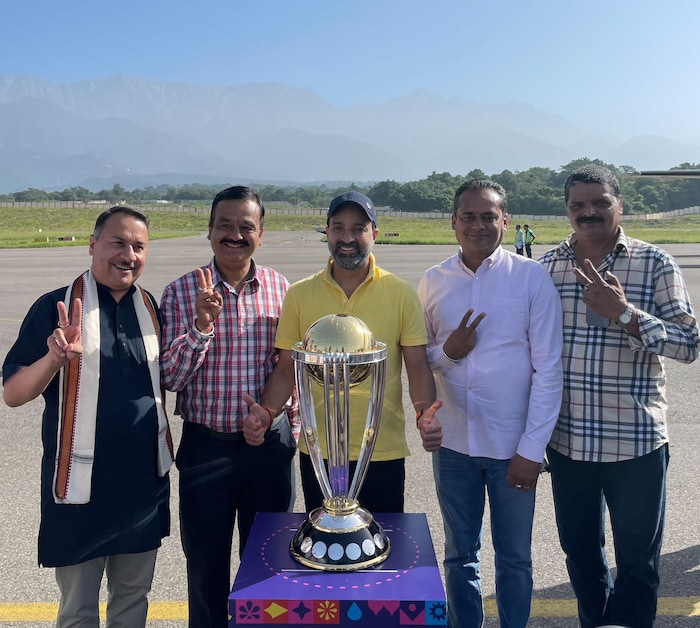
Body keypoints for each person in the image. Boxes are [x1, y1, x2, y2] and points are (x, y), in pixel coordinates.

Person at [539, 164, 699, 628]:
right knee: (580, 555)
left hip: (635, 441)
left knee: (638, 562)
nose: (588, 212)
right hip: (569, 442)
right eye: (578, 205)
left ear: (620, 205)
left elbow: (689, 345)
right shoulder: (547, 268)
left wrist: (626, 314)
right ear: (567, 210)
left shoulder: (654, 263)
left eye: (600, 202)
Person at [2, 206, 173, 628]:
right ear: (93, 244)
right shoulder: (56, 307)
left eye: (139, 246)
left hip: (140, 487)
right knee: (78, 610)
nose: (128, 255)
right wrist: (54, 359)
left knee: (133, 600)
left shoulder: (149, 308)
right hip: (80, 489)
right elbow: (13, 394)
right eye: (118, 243)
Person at [417, 179, 563, 628]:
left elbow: (548, 370)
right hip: (454, 446)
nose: (478, 225)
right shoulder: (432, 281)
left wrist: (531, 450)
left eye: (488, 216)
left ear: (506, 221)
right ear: (454, 222)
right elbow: (421, 360)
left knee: (514, 556)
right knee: (459, 554)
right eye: (469, 216)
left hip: (512, 447)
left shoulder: (530, 277)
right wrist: (450, 352)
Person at [246, 190, 442, 515]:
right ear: (327, 232)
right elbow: (286, 368)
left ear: (374, 234)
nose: (347, 238)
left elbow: (417, 367)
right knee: (326, 540)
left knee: (380, 542)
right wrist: (267, 412)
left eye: (358, 228)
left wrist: (424, 415)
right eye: (338, 227)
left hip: (381, 450)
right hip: (319, 452)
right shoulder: (300, 294)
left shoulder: (401, 293)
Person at [159, 185, 297, 628]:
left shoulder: (283, 290)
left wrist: (283, 424)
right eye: (225, 225)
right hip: (206, 449)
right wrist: (201, 327)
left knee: (269, 568)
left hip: (269, 449)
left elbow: (289, 368)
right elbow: (170, 378)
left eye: (246, 227)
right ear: (209, 230)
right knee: (205, 569)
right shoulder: (180, 292)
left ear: (261, 234)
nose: (234, 235)